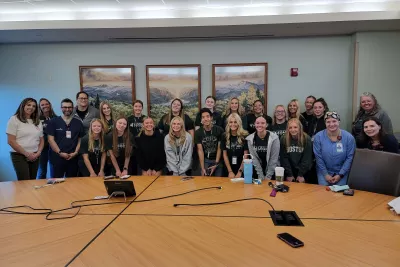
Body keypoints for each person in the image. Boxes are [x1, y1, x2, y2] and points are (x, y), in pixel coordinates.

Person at [313, 111, 356, 185]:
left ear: (339, 121)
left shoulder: (349, 137)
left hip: (342, 172)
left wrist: (340, 174)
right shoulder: (318, 137)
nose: (331, 124)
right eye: (328, 122)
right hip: (324, 171)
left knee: (339, 194)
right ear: (325, 123)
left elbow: (350, 157)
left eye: (334, 121)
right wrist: (325, 174)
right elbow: (318, 157)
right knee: (323, 192)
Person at [6, 98, 44, 180]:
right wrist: (27, 154)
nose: (31, 107)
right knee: (24, 181)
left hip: (35, 156)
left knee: (32, 180)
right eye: (28, 105)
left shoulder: (37, 121)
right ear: (23, 105)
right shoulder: (14, 119)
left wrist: (38, 153)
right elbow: (11, 141)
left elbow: (41, 140)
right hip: (19, 155)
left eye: (34, 106)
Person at [47, 98, 84, 178]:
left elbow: (80, 139)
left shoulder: (78, 122)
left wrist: (76, 152)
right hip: (57, 157)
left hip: (73, 157)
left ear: (73, 108)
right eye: (65, 107)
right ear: (61, 108)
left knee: (72, 182)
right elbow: (50, 139)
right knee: (56, 182)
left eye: (69, 107)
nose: (67, 109)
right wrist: (60, 152)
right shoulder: (53, 122)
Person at [279, 118, 313, 183]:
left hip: (304, 172)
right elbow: (284, 158)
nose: (293, 130)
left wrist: (301, 174)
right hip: (289, 171)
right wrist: (289, 174)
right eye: (290, 127)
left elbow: (307, 159)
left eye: (295, 127)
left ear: (300, 128)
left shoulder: (306, 138)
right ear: (288, 129)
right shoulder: (283, 139)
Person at [195, 108, 224, 177]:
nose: (205, 119)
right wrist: (202, 168)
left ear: (211, 118)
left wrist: (216, 163)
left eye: (207, 116)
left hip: (218, 160)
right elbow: (200, 150)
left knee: (218, 180)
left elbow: (219, 148)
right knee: (205, 179)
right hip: (206, 160)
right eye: (203, 117)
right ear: (201, 120)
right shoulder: (198, 133)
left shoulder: (219, 130)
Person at [221, 113, 249, 178]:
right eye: (231, 122)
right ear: (228, 123)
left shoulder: (245, 135)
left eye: (235, 122)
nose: (233, 124)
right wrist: (230, 171)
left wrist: (240, 171)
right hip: (228, 168)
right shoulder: (224, 136)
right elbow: (225, 155)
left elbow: (246, 156)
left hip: (241, 168)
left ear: (239, 123)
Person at [37, 98, 57, 179]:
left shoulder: (56, 118)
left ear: (50, 105)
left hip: (53, 149)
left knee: (54, 171)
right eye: (42, 104)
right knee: (42, 171)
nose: (45, 106)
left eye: (47, 104)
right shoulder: (36, 119)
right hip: (41, 149)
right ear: (39, 107)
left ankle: (54, 190)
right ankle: (40, 191)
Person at [128, 100, 146, 175]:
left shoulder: (145, 118)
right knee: (133, 167)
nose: (138, 108)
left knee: (143, 167)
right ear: (133, 107)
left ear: (142, 108)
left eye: (139, 106)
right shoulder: (129, 119)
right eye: (136, 106)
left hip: (143, 146)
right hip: (133, 146)